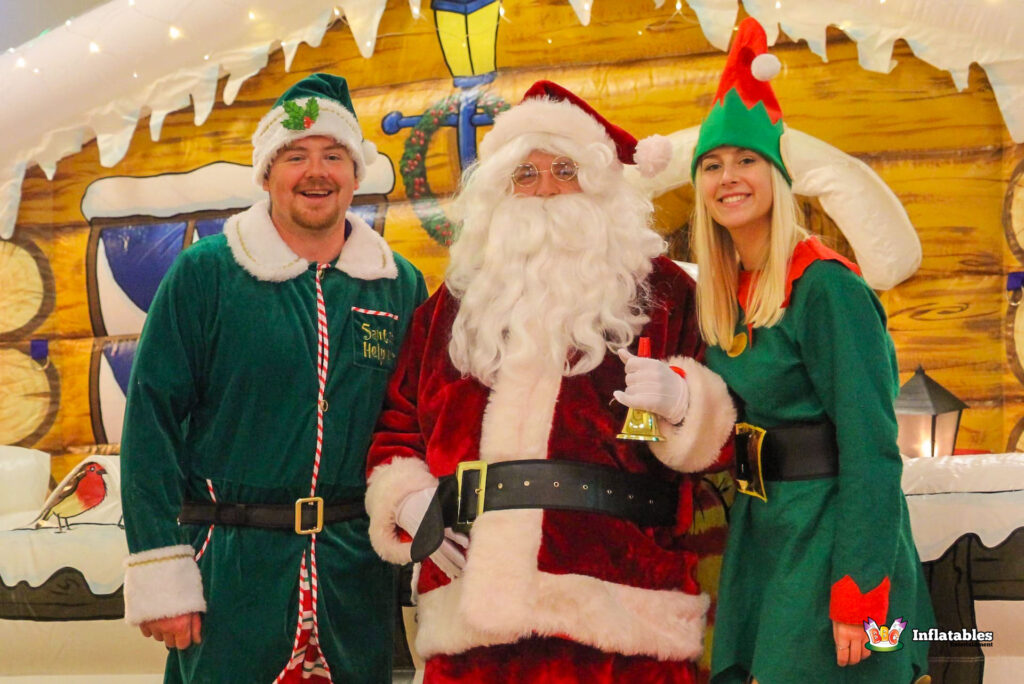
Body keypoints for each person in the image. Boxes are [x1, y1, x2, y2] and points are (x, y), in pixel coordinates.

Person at [363, 80, 735, 683]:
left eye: (564, 169)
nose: (544, 189)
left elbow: (727, 441)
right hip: (472, 614)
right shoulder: (452, 307)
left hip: (625, 607)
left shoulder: (667, 295)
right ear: (499, 192)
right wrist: (408, 501)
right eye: (525, 174)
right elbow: (398, 424)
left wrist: (686, 402)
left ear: (600, 183)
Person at [120, 73, 427, 683]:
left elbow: (419, 419)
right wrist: (163, 569)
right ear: (266, 174)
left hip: (353, 577)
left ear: (356, 172)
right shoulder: (207, 275)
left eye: (333, 155)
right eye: (296, 156)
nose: (317, 172)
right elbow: (151, 419)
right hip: (231, 571)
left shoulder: (398, 286)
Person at [687, 19, 934, 684]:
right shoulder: (721, 300)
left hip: (830, 537)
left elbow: (872, 445)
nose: (728, 177)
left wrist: (858, 590)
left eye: (746, 161)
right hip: (763, 532)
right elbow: (701, 418)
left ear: (778, 176)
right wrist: (646, 417)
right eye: (712, 165)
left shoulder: (824, 287)